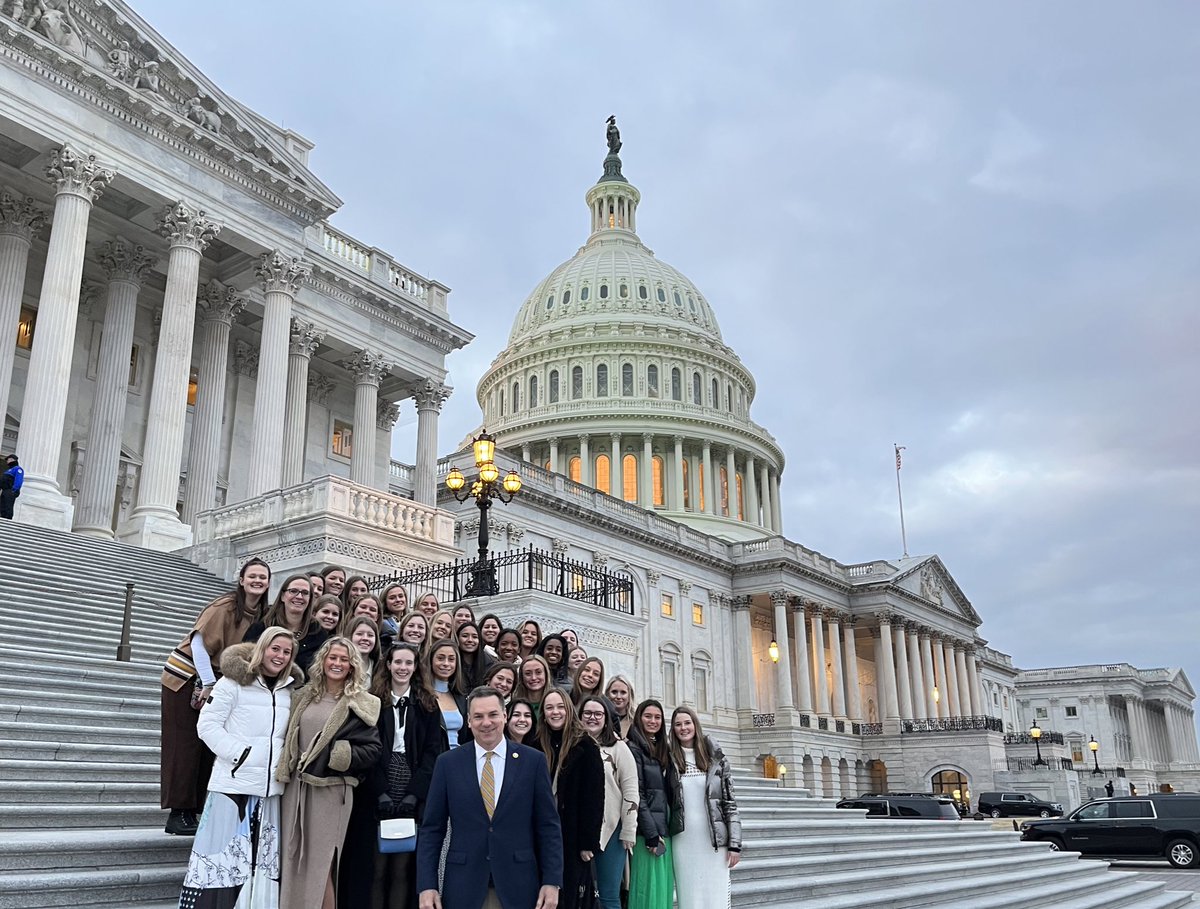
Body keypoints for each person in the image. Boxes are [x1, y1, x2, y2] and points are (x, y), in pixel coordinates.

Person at [179, 628, 304, 907]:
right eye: (275, 649)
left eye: (287, 652)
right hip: (231, 788)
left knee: (260, 865)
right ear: (262, 648)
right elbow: (207, 725)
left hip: (270, 792)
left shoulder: (290, 691)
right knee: (219, 864)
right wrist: (239, 754)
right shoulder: (232, 683)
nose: (280, 656)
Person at [417, 686, 564, 909]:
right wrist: (427, 885)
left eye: (493, 714)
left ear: (505, 716)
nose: (486, 722)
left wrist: (552, 881)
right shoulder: (448, 763)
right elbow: (432, 829)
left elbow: (548, 826)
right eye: (478, 716)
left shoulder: (533, 762)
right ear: (468, 721)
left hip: (519, 884)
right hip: (464, 884)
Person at [161, 557, 271, 836]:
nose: (258, 581)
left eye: (263, 577)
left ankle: (194, 810)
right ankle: (178, 812)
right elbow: (198, 643)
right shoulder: (224, 606)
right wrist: (207, 682)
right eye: (253, 576)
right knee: (185, 744)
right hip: (187, 677)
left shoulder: (261, 614)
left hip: (219, 679)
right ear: (242, 580)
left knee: (209, 746)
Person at [339, 642, 448, 909]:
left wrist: (414, 793)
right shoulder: (372, 701)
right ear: (388, 664)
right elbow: (365, 748)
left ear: (415, 667)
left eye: (408, 663)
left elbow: (433, 753)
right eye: (398, 662)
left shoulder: (428, 704)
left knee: (402, 867)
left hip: (412, 784)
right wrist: (381, 792)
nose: (403, 668)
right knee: (377, 866)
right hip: (378, 785)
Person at [277, 636, 382, 909]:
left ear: (352, 666)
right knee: (293, 860)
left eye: (344, 660)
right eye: (332, 657)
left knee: (321, 864)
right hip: (295, 790)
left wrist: (339, 755)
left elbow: (372, 750)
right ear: (322, 660)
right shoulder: (302, 695)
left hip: (331, 791)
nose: (337, 663)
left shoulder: (362, 702)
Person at [668, 707, 740, 909]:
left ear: (695, 725)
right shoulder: (669, 758)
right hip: (683, 840)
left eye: (687, 723)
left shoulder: (715, 758)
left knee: (716, 896)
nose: (683, 728)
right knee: (690, 897)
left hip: (714, 840)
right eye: (678, 724)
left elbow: (730, 803)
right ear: (673, 729)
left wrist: (734, 844)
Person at [538, 689, 604, 909]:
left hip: (573, 835)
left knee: (570, 895)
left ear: (568, 709)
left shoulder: (586, 746)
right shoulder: (537, 744)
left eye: (559, 707)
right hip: (542, 832)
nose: (555, 712)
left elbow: (594, 798)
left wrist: (588, 842)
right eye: (549, 707)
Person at [580, 697, 638, 909]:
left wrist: (629, 831)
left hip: (612, 830)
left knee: (608, 895)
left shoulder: (618, 748)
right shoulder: (573, 744)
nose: (592, 718)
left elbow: (631, 791)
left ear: (606, 718)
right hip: (579, 830)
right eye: (587, 713)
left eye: (598, 714)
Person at [627, 700, 678, 909]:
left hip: (663, 825)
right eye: (648, 716)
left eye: (657, 717)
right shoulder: (634, 748)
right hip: (647, 831)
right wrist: (650, 833)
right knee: (647, 889)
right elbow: (637, 793)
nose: (653, 721)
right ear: (639, 717)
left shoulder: (660, 748)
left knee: (661, 888)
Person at [244, 574, 327, 674]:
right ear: (283, 596)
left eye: (305, 593)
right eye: (293, 591)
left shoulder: (318, 633)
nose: (299, 596)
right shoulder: (260, 629)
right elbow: (245, 661)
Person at [424, 639, 471, 746]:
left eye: (451, 659)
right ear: (431, 660)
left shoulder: (461, 697)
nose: (446, 663)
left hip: (457, 759)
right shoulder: (421, 695)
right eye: (440, 658)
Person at [457, 621, 495, 689]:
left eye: (474, 637)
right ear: (457, 639)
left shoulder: (489, 664)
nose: (470, 640)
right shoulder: (452, 662)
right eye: (465, 636)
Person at [345, 615, 381, 679]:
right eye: (359, 634)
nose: (365, 638)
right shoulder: (341, 665)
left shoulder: (380, 668)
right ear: (350, 636)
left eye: (370, 635)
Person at [0, 453, 23, 519]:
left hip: (10, 490)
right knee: (2, 507)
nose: (7, 461)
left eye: (8, 460)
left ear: (12, 460)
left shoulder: (18, 469)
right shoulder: (8, 471)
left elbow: (18, 480)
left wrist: (14, 490)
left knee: (8, 507)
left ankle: (7, 519)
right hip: (4, 491)